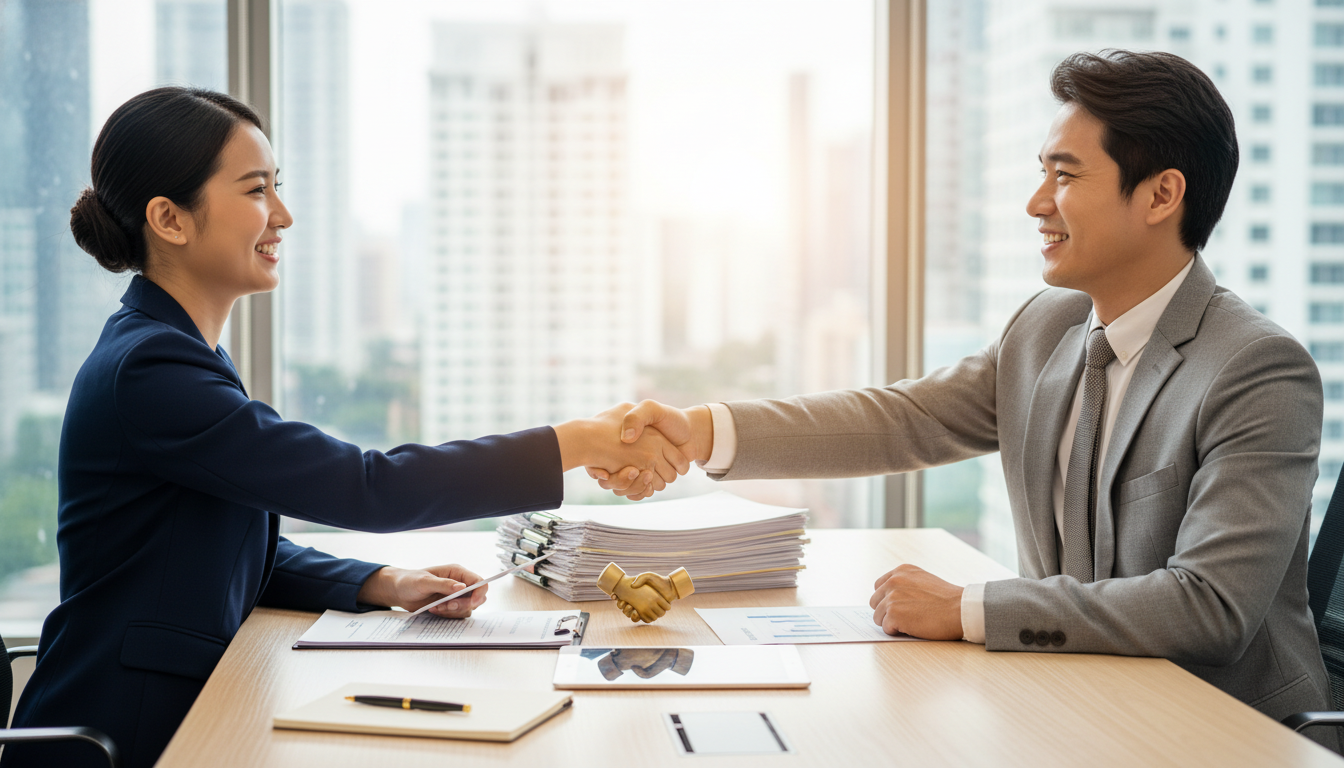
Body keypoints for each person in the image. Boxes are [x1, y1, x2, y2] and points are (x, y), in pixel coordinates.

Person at [603, 50, 1339, 749]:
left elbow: (1209, 607)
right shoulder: (1046, 328)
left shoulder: (1254, 369)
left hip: (1220, 731)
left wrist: (966, 608)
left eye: (1065, 176)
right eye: (1040, 173)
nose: (1036, 203)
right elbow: (904, 420)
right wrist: (700, 431)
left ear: (1161, 195)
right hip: (1071, 703)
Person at [1, 87, 690, 768]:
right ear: (170, 219)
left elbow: (218, 549)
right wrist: (576, 442)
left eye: (277, 187)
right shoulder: (153, 370)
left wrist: (383, 583)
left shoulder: (172, 350)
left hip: (187, 710)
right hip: (126, 738)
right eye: (255, 191)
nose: (283, 215)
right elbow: (368, 489)